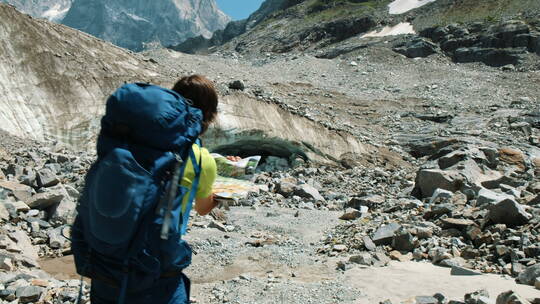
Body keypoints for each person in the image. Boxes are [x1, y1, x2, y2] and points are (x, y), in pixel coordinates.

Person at [74, 75, 220, 304]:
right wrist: (220, 197)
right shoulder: (203, 160)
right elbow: (203, 208)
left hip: (104, 263)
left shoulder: (130, 144)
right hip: (153, 271)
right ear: (209, 114)